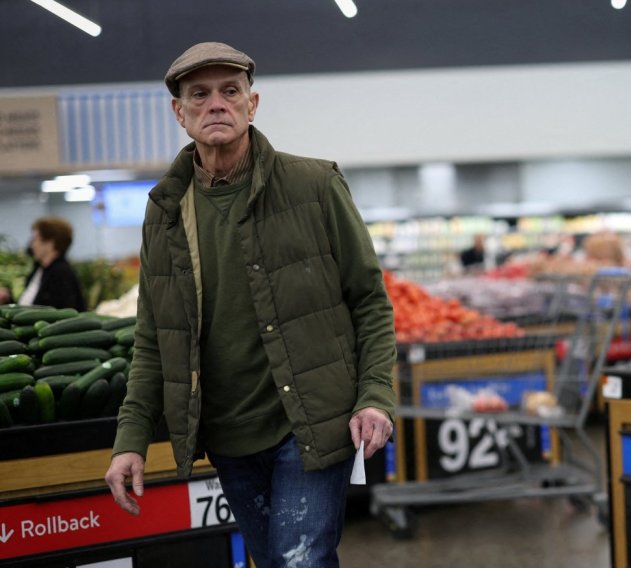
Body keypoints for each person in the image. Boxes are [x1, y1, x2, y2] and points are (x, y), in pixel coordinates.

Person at [104, 42, 396, 568]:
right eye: (200, 94)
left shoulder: (315, 185)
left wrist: (375, 396)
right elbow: (153, 338)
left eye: (229, 91)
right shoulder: (165, 212)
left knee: (301, 561)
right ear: (180, 112)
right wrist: (131, 440)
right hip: (228, 433)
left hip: (311, 421)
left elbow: (370, 302)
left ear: (252, 104)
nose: (216, 103)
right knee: (273, 560)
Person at [0, 217, 86, 311]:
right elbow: (28, 306)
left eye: (35, 239)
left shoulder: (61, 273)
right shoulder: (39, 269)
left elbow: (59, 314)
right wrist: (8, 299)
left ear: (50, 243)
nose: (32, 244)